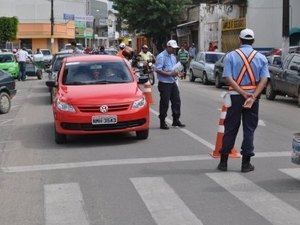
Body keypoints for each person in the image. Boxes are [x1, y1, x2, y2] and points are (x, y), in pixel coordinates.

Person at [217, 28, 269, 173]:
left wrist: (242, 93)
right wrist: (252, 96)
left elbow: (228, 78)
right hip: (253, 98)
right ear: (253, 41)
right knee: (249, 129)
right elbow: (264, 80)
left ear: (240, 40)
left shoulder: (231, 56)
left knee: (230, 128)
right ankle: (246, 164)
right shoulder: (261, 57)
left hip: (235, 96)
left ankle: (223, 162)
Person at [155, 40, 185, 130]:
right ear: (168, 47)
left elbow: (174, 69)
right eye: (172, 48)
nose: (174, 50)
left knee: (176, 101)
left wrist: (179, 73)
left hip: (173, 82)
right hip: (164, 83)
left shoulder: (173, 57)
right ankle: (162, 121)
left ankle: (176, 120)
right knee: (165, 102)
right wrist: (169, 74)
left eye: (175, 48)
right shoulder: (161, 56)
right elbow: (158, 70)